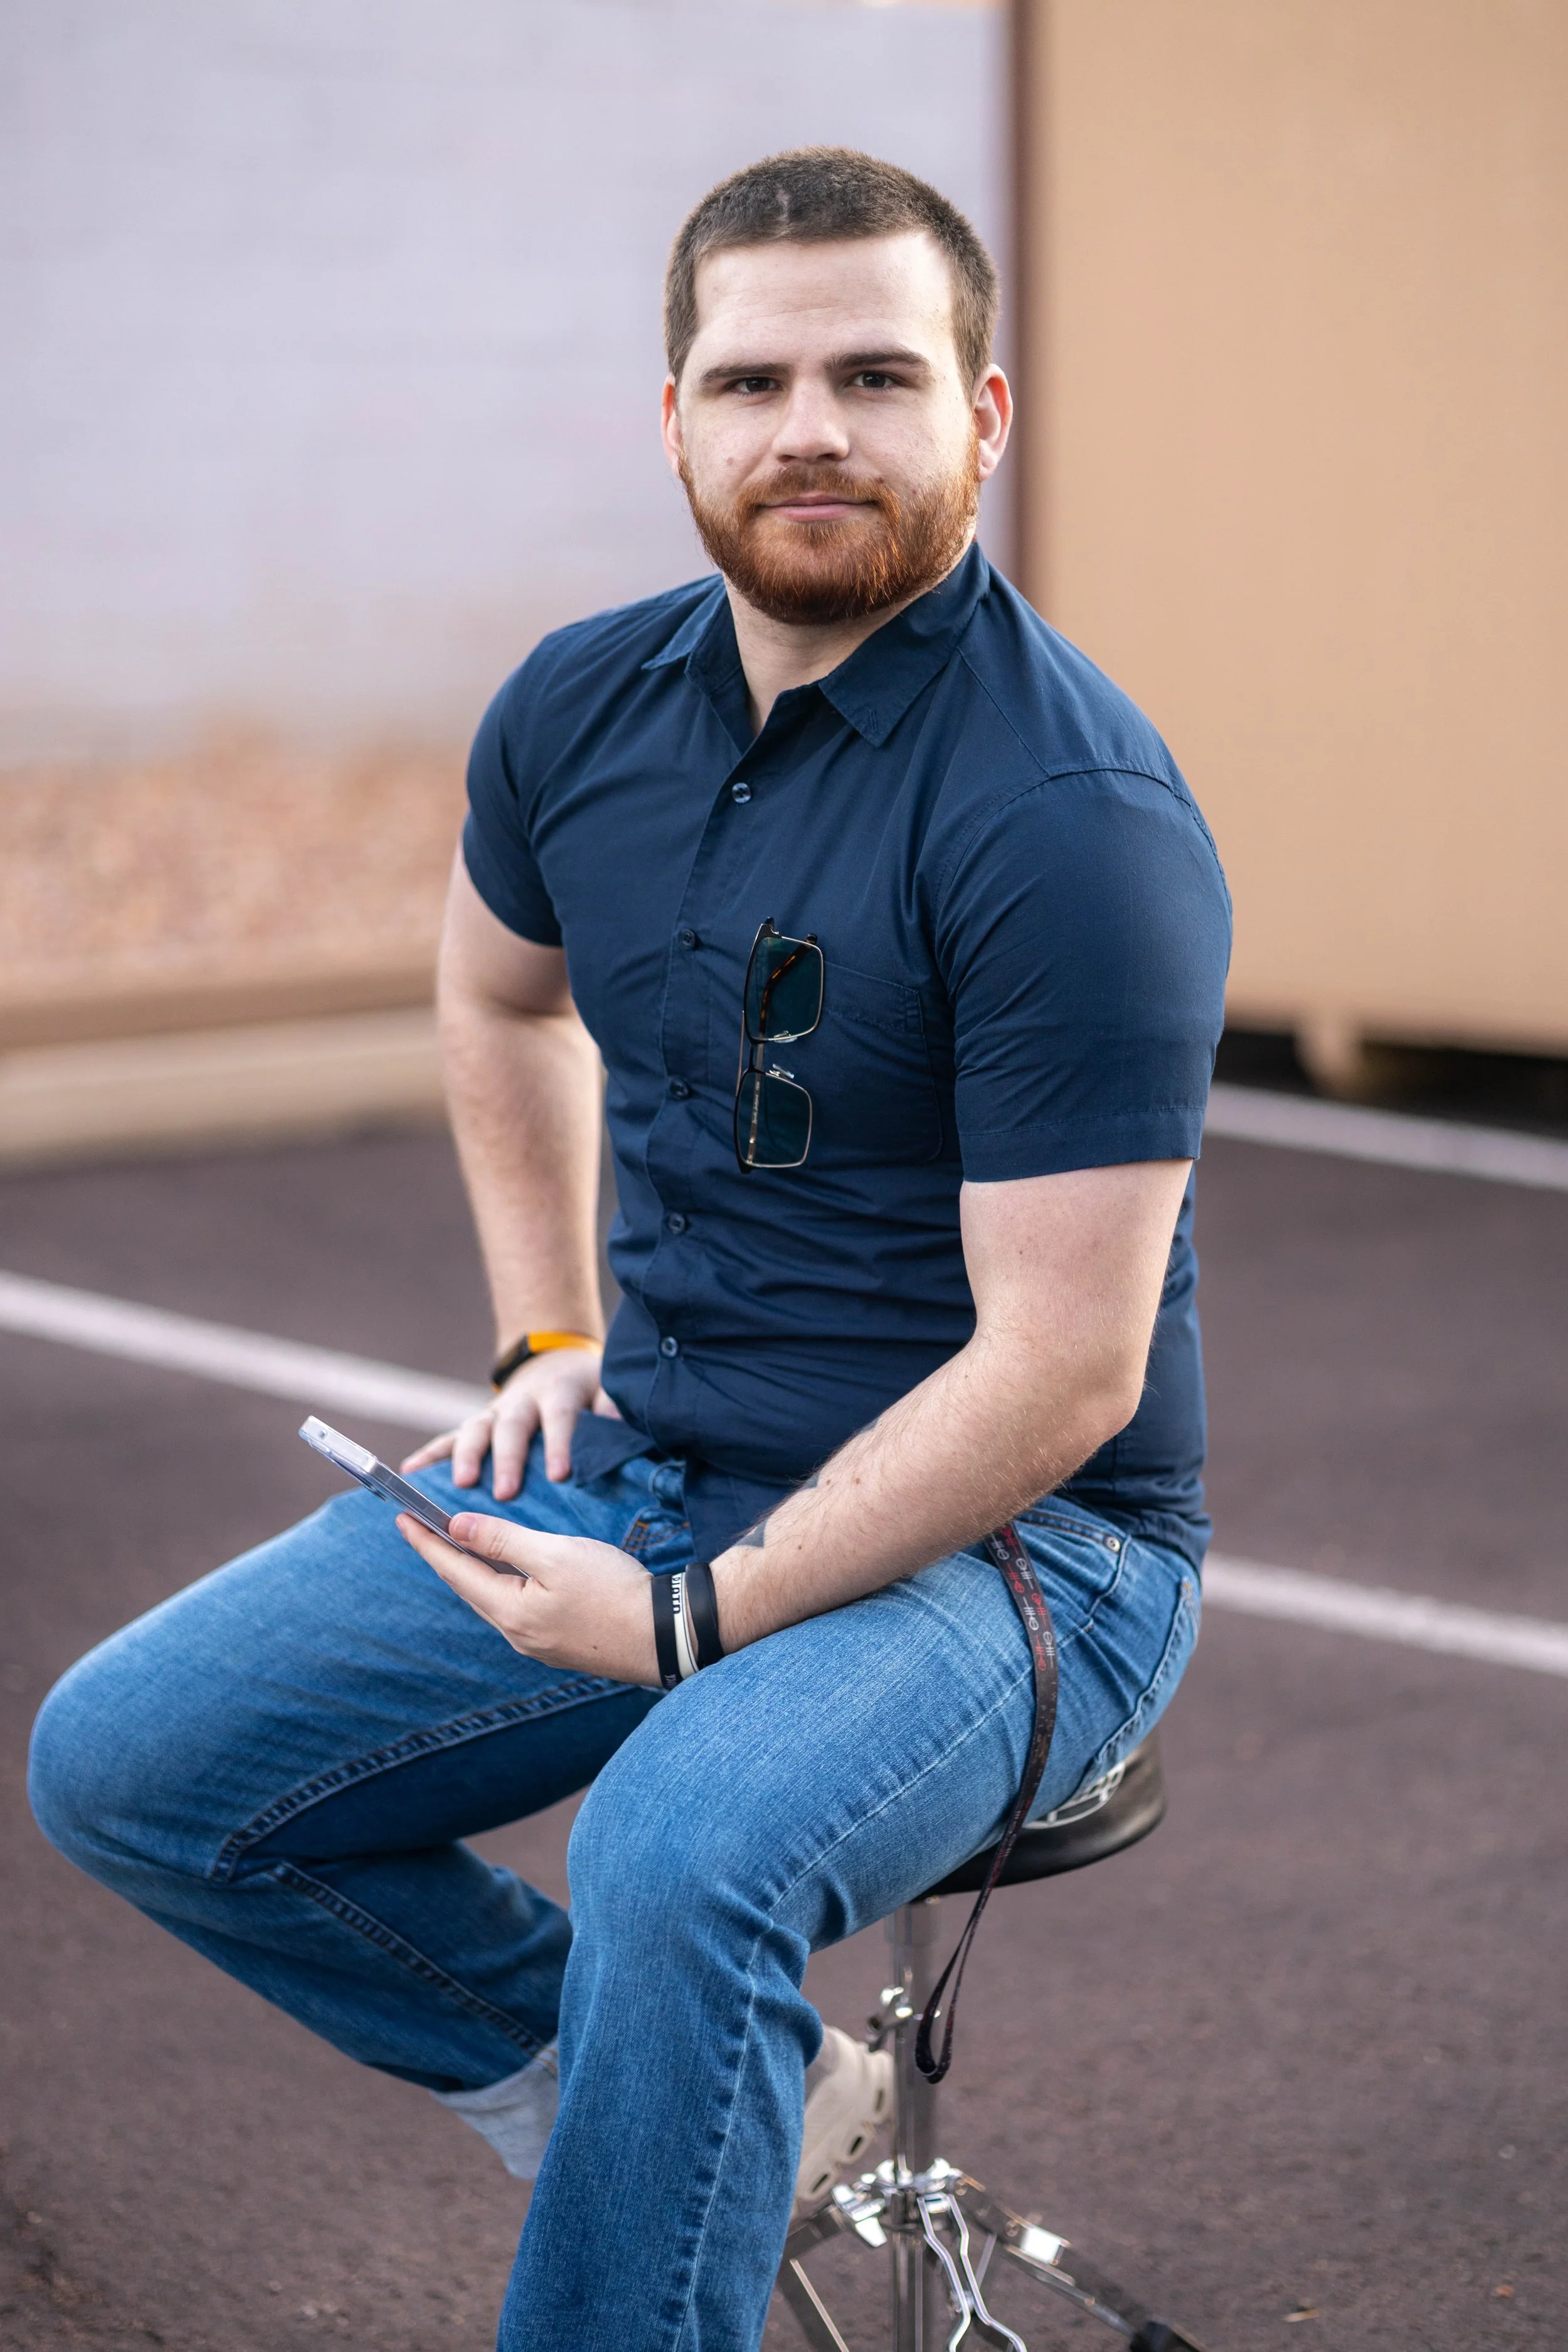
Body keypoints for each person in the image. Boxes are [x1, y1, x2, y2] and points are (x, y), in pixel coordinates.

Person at [29, 148, 1231, 2350]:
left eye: (874, 375)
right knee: (134, 1760)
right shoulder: (578, 708)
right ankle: (701, 2101)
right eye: (751, 377)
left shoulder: (1073, 819)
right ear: (665, 420)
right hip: (660, 1443)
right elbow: (496, 996)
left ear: (978, 415)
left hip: (1028, 1551)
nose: (809, 429)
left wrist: (687, 1618)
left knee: (680, 1844)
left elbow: (1065, 1373)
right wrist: (548, 1320)